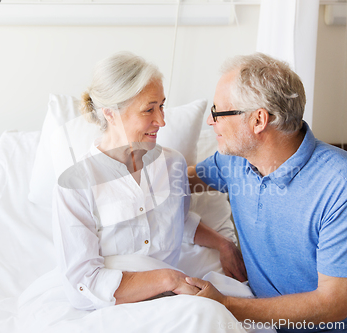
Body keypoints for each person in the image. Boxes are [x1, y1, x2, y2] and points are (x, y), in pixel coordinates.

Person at [186, 53, 347, 332]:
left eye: (218, 112)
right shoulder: (236, 161)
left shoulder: (345, 186)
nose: (210, 121)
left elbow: (332, 305)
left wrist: (224, 304)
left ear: (258, 121)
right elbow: (181, 182)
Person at [52, 51, 246, 312]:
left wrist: (224, 244)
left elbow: (177, 220)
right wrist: (168, 278)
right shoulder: (76, 184)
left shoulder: (172, 164)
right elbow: (82, 286)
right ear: (111, 114)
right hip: (112, 308)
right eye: (149, 110)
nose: (162, 121)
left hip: (173, 297)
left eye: (162, 106)